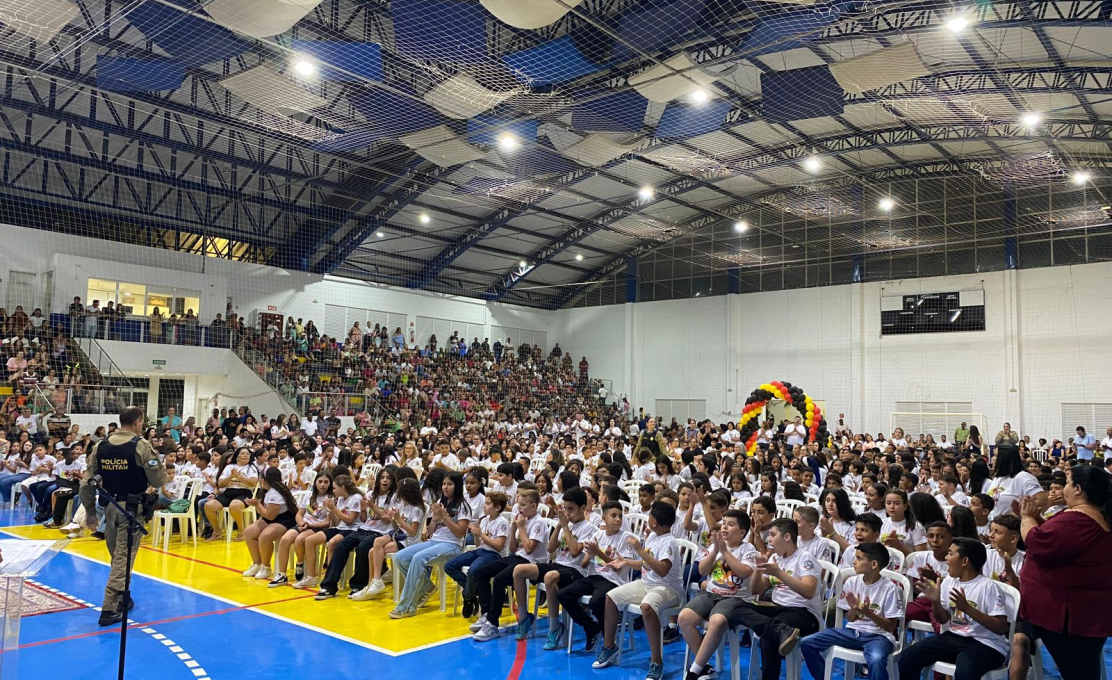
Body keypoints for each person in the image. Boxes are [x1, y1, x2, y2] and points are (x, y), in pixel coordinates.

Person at [1011, 465, 1112, 680]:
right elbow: (1057, 541)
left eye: (1067, 482)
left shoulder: (1078, 520)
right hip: (1072, 610)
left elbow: (1038, 543)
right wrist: (1035, 517)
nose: (1063, 488)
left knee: (1078, 672)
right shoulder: (1079, 517)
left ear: (1078, 489)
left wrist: (1027, 518)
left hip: (1070, 614)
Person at [78, 406, 167, 626]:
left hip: (110, 507)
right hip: (132, 510)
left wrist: (90, 512)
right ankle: (109, 608)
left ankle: (122, 598)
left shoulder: (101, 446)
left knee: (117, 555)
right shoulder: (141, 446)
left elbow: (86, 482)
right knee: (122, 559)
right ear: (138, 422)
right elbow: (158, 480)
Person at [591, 501, 683, 680]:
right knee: (611, 597)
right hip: (646, 583)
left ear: (654, 521)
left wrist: (639, 549)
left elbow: (662, 569)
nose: (648, 518)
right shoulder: (653, 537)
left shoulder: (669, 542)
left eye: (650, 516)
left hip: (669, 588)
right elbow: (647, 562)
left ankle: (656, 662)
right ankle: (609, 647)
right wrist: (626, 562)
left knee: (647, 606)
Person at [897, 538, 1009, 680]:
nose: (946, 558)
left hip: (987, 644)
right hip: (955, 637)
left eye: (950, 553)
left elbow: (1001, 627)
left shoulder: (988, 587)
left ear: (964, 561)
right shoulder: (949, 581)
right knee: (908, 657)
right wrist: (935, 601)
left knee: (965, 671)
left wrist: (967, 609)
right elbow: (944, 619)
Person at [801, 542, 902, 680]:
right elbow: (850, 619)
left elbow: (891, 626)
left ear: (873, 564)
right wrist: (854, 611)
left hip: (878, 636)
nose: (854, 562)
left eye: (859, 558)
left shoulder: (890, 588)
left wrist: (868, 614)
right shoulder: (852, 582)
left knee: (876, 659)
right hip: (852, 632)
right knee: (807, 642)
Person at [512, 488, 596, 649]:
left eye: (571, 509)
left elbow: (574, 552)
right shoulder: (565, 524)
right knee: (519, 570)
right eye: (566, 508)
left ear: (583, 508)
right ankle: (523, 619)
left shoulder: (589, 529)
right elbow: (551, 549)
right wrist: (559, 526)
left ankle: (554, 627)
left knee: (550, 577)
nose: (568, 513)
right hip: (558, 565)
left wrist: (565, 527)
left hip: (576, 571)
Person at [678, 510, 757, 680]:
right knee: (684, 617)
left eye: (731, 524)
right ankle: (704, 667)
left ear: (742, 532)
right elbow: (702, 570)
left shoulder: (748, 550)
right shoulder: (717, 546)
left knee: (717, 621)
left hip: (736, 599)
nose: (724, 527)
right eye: (724, 522)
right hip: (711, 594)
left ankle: (693, 672)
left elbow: (744, 573)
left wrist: (725, 552)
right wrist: (715, 552)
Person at [557, 500, 637, 653]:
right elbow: (584, 565)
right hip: (595, 576)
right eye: (613, 516)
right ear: (604, 518)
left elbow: (619, 567)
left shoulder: (627, 538)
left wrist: (598, 552)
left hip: (614, 580)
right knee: (563, 594)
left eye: (620, 516)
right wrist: (590, 554)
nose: (618, 519)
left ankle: (608, 639)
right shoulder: (598, 535)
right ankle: (591, 626)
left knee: (595, 602)